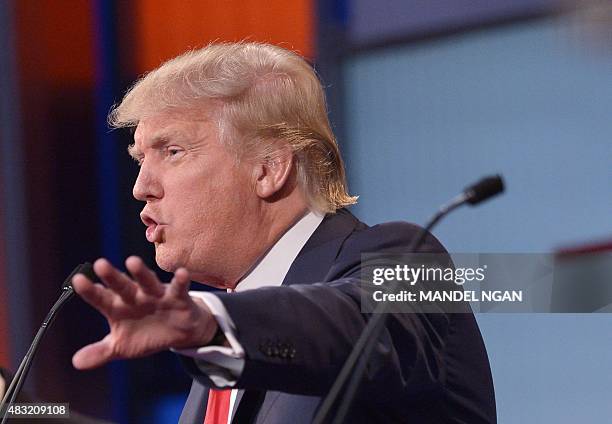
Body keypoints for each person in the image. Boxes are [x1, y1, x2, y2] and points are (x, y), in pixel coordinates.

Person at [71, 42, 496, 423]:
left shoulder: (402, 258)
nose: (141, 186)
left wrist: (211, 325)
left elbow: (349, 326)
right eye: (140, 158)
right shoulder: (219, 357)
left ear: (269, 168)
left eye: (172, 152)